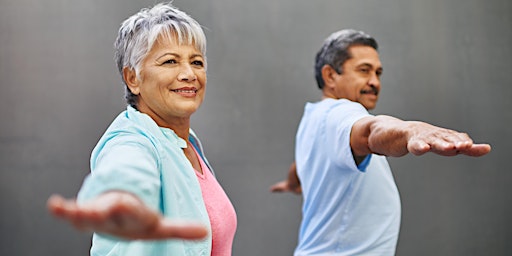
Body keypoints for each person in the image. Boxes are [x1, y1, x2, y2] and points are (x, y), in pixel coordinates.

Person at [270, 29, 491, 255]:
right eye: (364, 70)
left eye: (378, 72)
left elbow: (303, 163)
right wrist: (410, 130)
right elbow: (370, 133)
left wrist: (293, 183)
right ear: (330, 76)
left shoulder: (314, 118)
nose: (375, 82)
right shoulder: (343, 112)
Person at [47, 2, 237, 255]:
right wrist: (121, 196)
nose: (189, 73)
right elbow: (127, 168)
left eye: (197, 62)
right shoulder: (132, 140)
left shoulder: (186, 143)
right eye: (170, 61)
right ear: (133, 78)